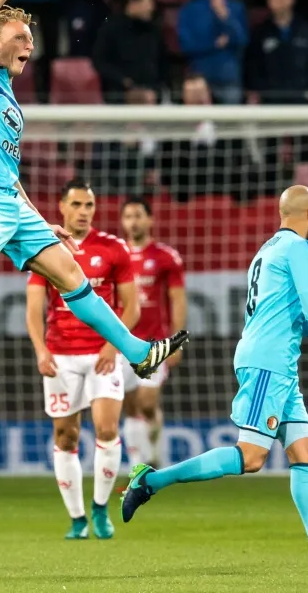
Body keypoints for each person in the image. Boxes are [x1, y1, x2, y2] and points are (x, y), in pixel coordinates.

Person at [0, 0, 188, 402]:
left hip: (10, 199)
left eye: (31, 40)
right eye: (19, 37)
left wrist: (37, 216)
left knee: (71, 274)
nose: (28, 46)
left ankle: (138, 352)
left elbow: (11, 173)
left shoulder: (8, 96)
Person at [121, 186, 308, 573]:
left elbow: (289, 315)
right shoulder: (300, 248)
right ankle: (151, 481)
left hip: (278, 363)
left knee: (305, 454)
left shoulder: (266, 250)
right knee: (251, 457)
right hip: (268, 363)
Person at [26, 180, 136, 540]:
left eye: (89, 204)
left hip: (101, 355)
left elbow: (131, 306)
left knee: (106, 429)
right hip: (60, 356)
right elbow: (33, 308)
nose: (84, 211)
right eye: (76, 204)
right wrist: (41, 350)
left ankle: (101, 510)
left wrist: (112, 346)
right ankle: (77, 518)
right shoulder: (45, 248)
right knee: (66, 436)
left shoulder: (113, 249)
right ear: (62, 207)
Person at [119, 197, 187, 467]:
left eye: (138, 215)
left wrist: (176, 342)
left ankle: (155, 453)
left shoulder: (165, 257)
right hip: (123, 342)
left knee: (147, 403)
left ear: (150, 220)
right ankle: (141, 466)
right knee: (130, 405)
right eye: (127, 216)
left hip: (154, 343)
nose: (133, 221)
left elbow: (178, 300)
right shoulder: (118, 255)